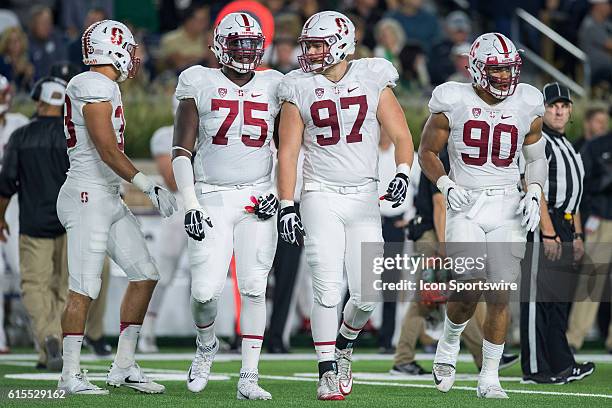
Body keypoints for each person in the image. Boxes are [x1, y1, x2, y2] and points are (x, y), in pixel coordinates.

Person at [277, 11, 414, 400]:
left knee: (368, 295)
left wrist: (402, 173)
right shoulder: (298, 86)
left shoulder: (372, 76)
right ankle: (325, 371)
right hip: (320, 192)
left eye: (319, 44)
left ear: (341, 43)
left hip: (364, 195)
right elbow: (288, 153)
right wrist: (288, 203)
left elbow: (403, 136)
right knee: (326, 286)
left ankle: (344, 346)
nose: (312, 52)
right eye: (310, 45)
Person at [418, 32, 548, 399]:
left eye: (510, 69)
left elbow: (536, 159)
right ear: (476, 69)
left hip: (508, 202)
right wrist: (445, 184)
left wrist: (534, 192)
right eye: (497, 70)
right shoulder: (452, 99)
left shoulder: (528, 102)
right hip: (466, 202)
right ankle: (450, 340)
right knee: (468, 286)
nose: (507, 77)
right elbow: (427, 151)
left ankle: (489, 374)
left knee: (501, 292)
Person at [56, 19, 177, 395]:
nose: (133, 55)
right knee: (84, 288)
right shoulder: (90, 84)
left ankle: (124, 365)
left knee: (145, 275)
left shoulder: (104, 86)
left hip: (106, 196)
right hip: (86, 196)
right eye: (129, 46)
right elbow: (108, 149)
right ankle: (70, 374)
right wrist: (148, 185)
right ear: (115, 48)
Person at [171, 13, 282, 400]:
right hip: (211, 195)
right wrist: (189, 204)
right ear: (219, 45)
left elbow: (292, 148)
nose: (247, 51)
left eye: (253, 44)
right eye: (238, 44)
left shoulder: (274, 84)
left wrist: (283, 196)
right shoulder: (198, 80)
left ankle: (249, 374)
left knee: (254, 286)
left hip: (257, 196)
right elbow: (181, 149)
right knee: (204, 292)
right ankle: (206, 345)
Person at [520, 82, 595, 384]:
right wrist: (548, 232)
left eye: (564, 105)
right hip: (544, 221)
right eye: (553, 105)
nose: (559, 110)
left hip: (564, 223)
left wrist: (575, 235)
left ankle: (561, 363)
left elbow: (573, 196)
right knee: (538, 299)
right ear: (543, 109)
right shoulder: (540, 142)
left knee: (558, 300)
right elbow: (534, 188)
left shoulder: (569, 145)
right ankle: (535, 368)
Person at [0, 77, 68, 370]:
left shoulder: (21, 137)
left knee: (34, 286)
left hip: (33, 223)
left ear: (40, 102)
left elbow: (6, 184)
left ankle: (48, 339)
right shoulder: (74, 136)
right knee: (66, 288)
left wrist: (0, 216)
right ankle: (60, 344)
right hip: (70, 223)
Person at [138, 98, 187, 353]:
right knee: (164, 272)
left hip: (209, 205)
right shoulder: (165, 135)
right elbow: (173, 179)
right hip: (179, 208)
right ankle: (147, 330)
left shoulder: (211, 132)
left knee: (208, 273)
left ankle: (208, 335)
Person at [0, 74, 28, 354]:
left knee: (24, 267)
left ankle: (43, 332)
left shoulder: (19, 123)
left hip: (13, 202)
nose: (5, 99)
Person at [158, 4, 210, 73]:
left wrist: (188, 58)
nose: (205, 23)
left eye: (206, 19)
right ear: (188, 21)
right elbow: (179, 65)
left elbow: (213, 63)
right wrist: (202, 58)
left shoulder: (208, 38)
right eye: (201, 20)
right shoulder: (170, 39)